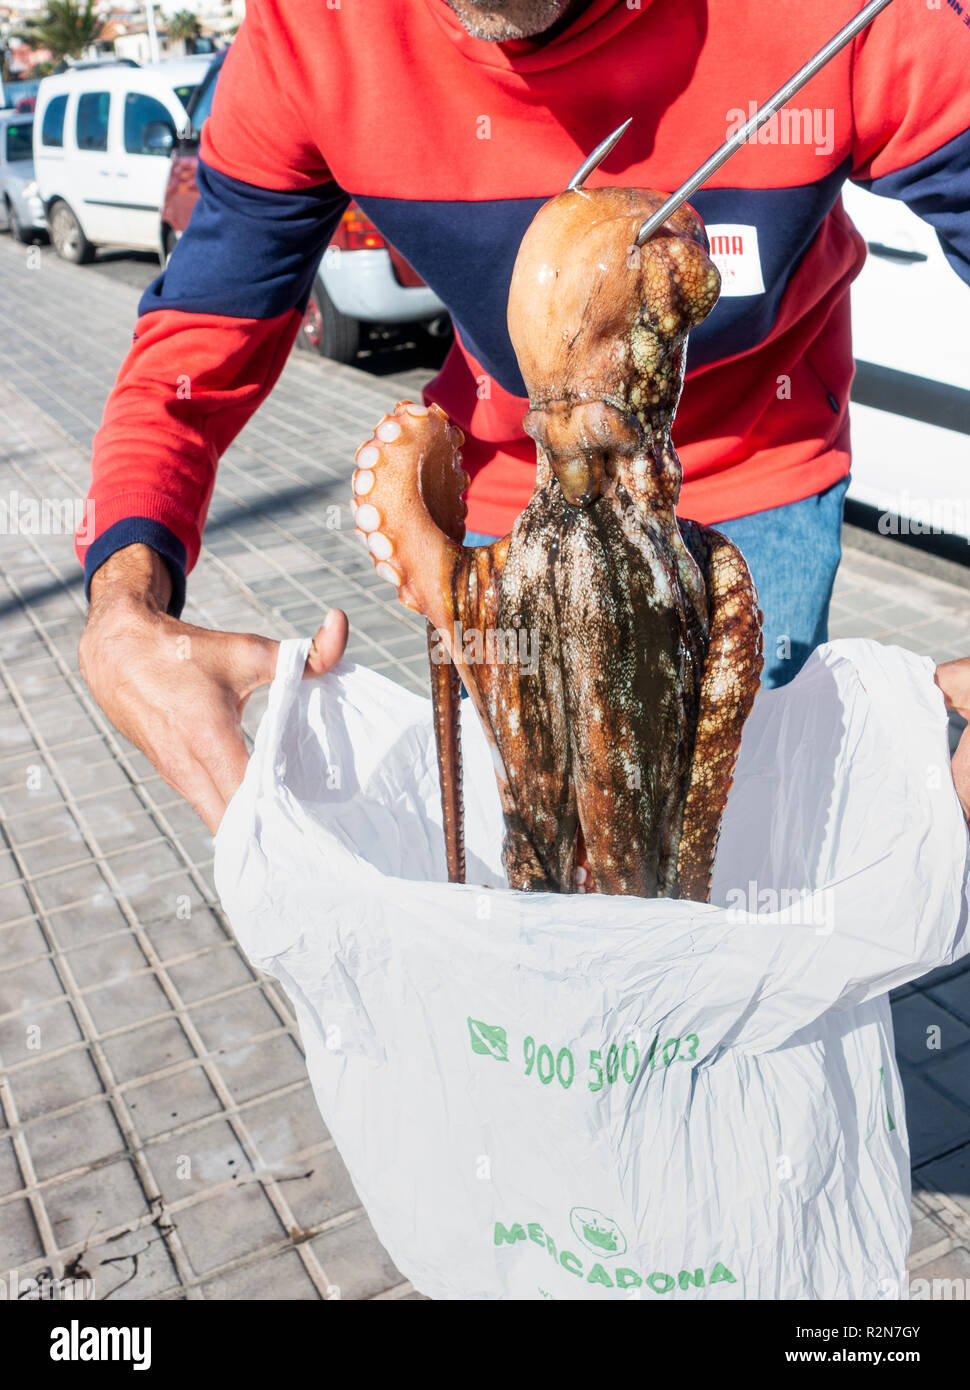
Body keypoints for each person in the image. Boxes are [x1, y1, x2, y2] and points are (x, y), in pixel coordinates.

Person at [77, 0, 970, 832]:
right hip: (516, 484)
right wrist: (124, 607)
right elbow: (201, 338)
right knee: (538, 830)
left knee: (738, 825)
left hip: (755, 464)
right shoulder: (314, 30)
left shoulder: (844, 16)